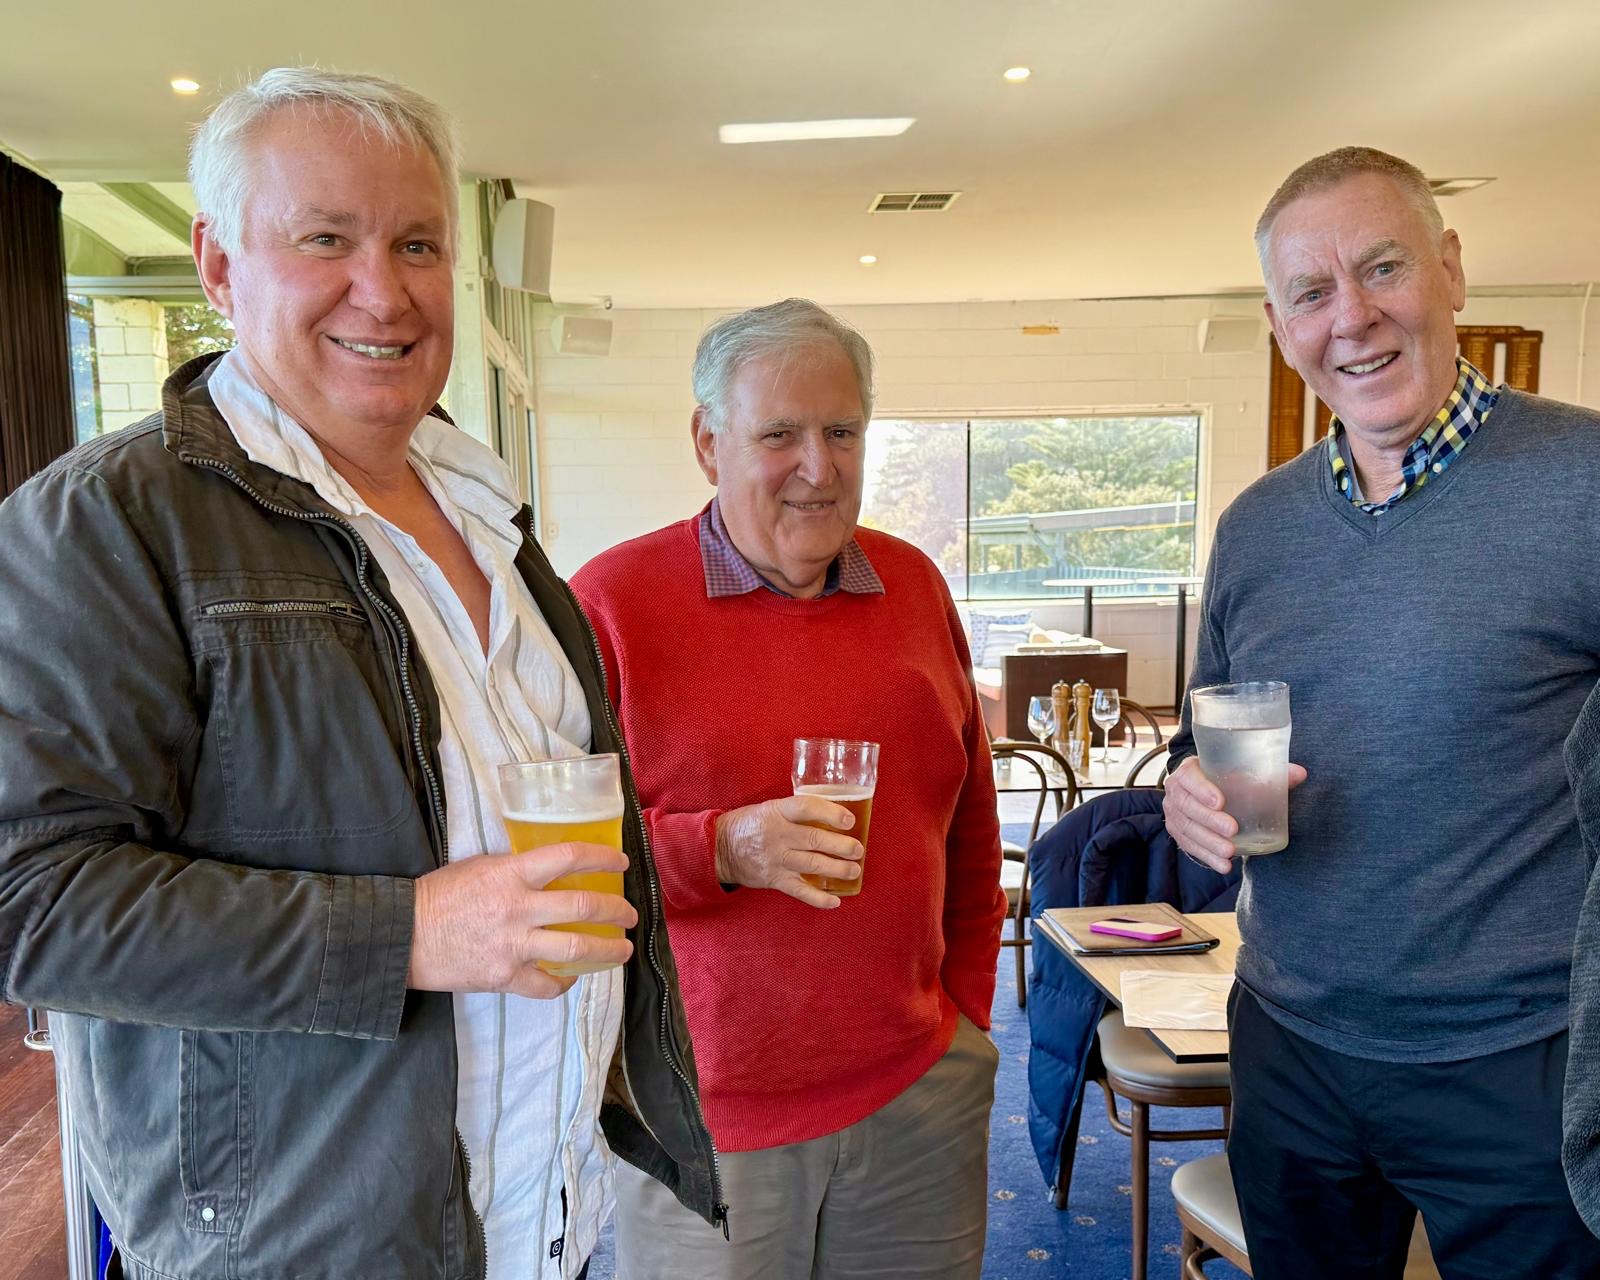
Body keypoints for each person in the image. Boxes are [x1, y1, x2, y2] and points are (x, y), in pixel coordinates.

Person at [0, 68, 718, 1280]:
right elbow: (30, 899)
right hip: (300, 1246)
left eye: (417, 243)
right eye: (325, 239)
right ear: (219, 265)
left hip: (542, 1223)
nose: (383, 291)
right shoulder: (104, 521)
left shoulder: (490, 514)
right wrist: (409, 933)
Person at [1162, 145, 1600, 1278]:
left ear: (1450, 269)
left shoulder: (1584, 482)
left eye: (1383, 267)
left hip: (1524, 1057)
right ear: (1280, 326)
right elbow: (1198, 737)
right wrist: (1184, 791)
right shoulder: (1255, 528)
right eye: (1311, 292)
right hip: (1288, 1044)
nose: (1351, 317)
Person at [571, 298, 1006, 1279]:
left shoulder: (915, 587)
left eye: (842, 431)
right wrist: (721, 848)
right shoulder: (611, 603)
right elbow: (558, 857)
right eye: (780, 435)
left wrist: (966, 1016)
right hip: (705, 1116)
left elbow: (970, 824)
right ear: (707, 442)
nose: (819, 466)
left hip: (917, 1093)